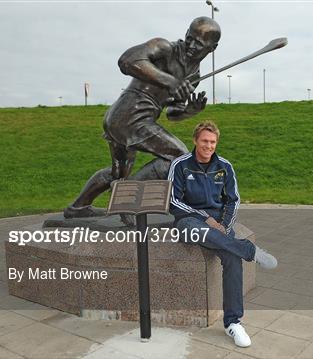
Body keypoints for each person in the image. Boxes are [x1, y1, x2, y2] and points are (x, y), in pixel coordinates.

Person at [64, 17, 220, 219]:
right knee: (179, 157)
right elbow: (127, 60)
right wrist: (170, 80)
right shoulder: (164, 48)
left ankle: (78, 208)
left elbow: (172, 112)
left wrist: (190, 110)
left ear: (211, 48)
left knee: (118, 173)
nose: (190, 46)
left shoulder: (194, 74)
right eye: (189, 38)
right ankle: (126, 201)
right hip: (130, 116)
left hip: (131, 120)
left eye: (198, 45)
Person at [168, 121, 278, 347]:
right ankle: (249, 249)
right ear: (195, 140)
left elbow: (233, 200)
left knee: (231, 257)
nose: (208, 145)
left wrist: (224, 225)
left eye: (212, 142)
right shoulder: (180, 165)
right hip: (190, 221)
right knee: (198, 230)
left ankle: (233, 323)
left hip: (219, 224)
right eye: (204, 141)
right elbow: (173, 201)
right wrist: (205, 219)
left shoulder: (225, 166)